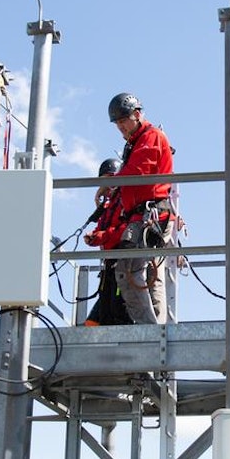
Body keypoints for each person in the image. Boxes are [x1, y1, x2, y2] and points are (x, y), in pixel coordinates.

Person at [101, 92, 174, 324]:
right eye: (118, 123)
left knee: (131, 270)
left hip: (151, 214)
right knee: (132, 271)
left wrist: (111, 183)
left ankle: (151, 330)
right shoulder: (137, 141)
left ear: (137, 115)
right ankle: (150, 328)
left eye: (124, 120)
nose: (121, 126)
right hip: (142, 214)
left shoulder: (151, 136)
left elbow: (139, 172)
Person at [83, 158, 132, 326]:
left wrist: (100, 236)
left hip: (122, 265)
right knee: (97, 320)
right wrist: (93, 235)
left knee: (119, 314)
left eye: (112, 180)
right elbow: (102, 230)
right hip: (109, 267)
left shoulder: (126, 199)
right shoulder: (107, 207)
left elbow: (124, 229)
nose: (108, 186)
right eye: (105, 181)